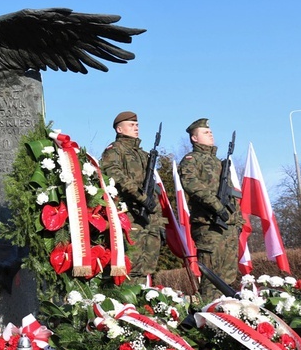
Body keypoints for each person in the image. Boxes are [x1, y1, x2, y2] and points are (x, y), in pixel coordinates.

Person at [179, 118, 242, 299]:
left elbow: (230, 195)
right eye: (205, 132)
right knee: (212, 279)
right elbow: (191, 184)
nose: (210, 134)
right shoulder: (191, 160)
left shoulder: (219, 163)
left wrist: (236, 220)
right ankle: (208, 316)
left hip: (228, 225)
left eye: (211, 132)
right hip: (209, 225)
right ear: (194, 138)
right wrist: (217, 206)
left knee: (228, 278)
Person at [100, 111, 164, 284]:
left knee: (147, 266)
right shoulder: (115, 150)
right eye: (131, 125)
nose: (136, 128)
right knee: (129, 264)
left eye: (137, 125)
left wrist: (157, 218)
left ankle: (141, 304)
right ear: (119, 129)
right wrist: (140, 196)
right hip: (129, 215)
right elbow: (115, 175)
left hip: (148, 217)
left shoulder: (143, 155)